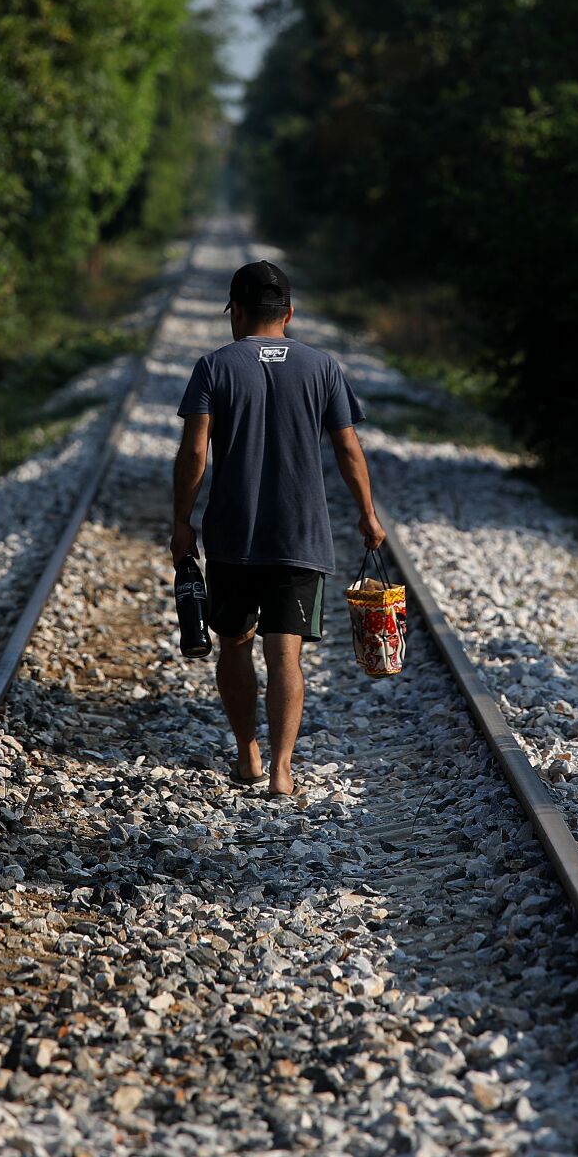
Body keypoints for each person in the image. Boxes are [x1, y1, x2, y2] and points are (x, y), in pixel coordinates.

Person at [172, 259, 386, 798]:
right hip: (300, 534)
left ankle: (248, 753)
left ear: (236, 312)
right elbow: (347, 447)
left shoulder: (213, 367)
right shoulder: (323, 367)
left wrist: (181, 521)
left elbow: (195, 451)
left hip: (231, 535)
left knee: (235, 645)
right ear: (289, 313)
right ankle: (283, 769)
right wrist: (367, 512)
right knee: (285, 653)